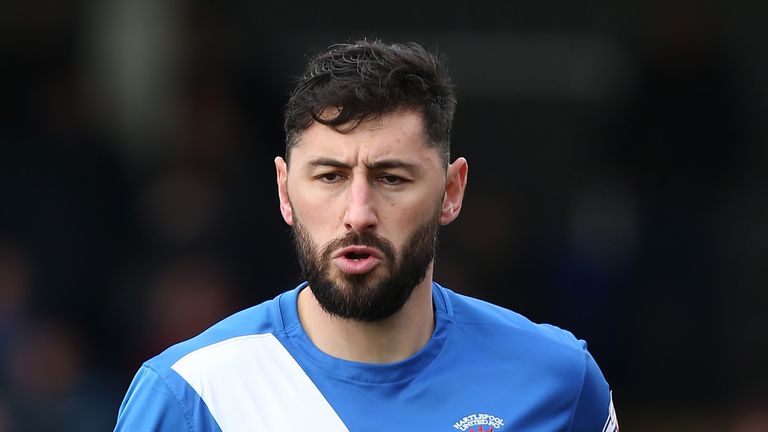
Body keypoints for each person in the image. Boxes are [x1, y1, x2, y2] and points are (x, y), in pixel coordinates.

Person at [114, 39, 619, 431]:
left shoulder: (557, 381)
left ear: (451, 191)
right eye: (329, 176)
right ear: (285, 192)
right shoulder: (191, 395)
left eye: (391, 178)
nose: (358, 213)